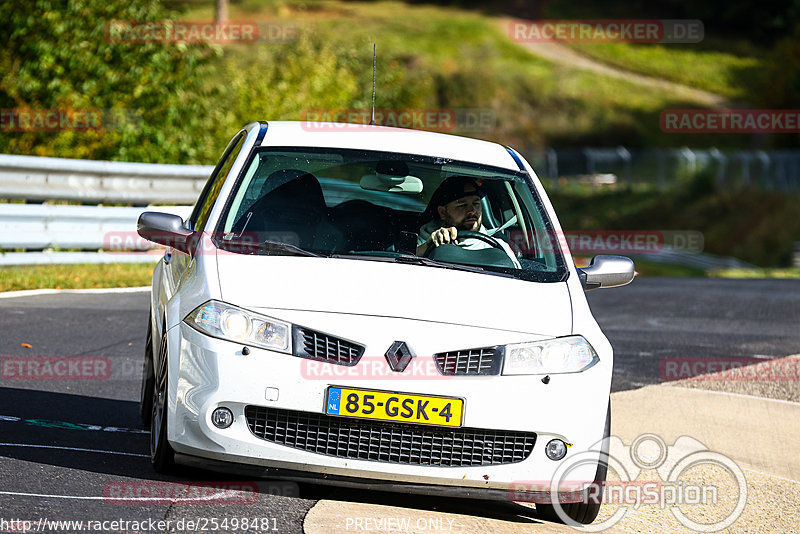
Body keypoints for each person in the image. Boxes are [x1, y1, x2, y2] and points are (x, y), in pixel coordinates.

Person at [416, 176, 520, 267]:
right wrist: (428, 245)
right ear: (443, 212)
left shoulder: (499, 247)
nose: (472, 211)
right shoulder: (423, 241)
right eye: (462, 205)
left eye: (476, 204)